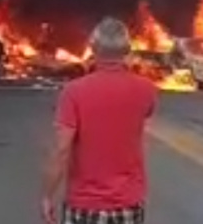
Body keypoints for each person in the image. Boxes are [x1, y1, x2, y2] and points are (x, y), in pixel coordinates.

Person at [41, 17, 158, 224]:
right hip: (128, 203)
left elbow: (62, 151)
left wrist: (48, 196)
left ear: (93, 49)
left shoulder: (73, 92)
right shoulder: (146, 90)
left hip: (85, 206)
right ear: (127, 50)